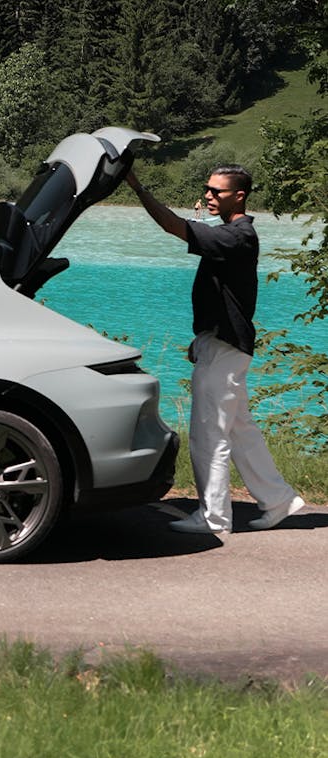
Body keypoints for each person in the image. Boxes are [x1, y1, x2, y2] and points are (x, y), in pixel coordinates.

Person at [125, 165, 305, 534]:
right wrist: (203, 336)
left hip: (225, 348)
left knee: (210, 433)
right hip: (222, 342)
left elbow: (173, 226)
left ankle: (213, 517)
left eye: (216, 192)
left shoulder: (238, 236)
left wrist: (137, 187)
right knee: (240, 430)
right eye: (206, 188)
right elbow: (222, 295)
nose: (209, 195)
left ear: (239, 196)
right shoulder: (232, 234)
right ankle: (279, 499)